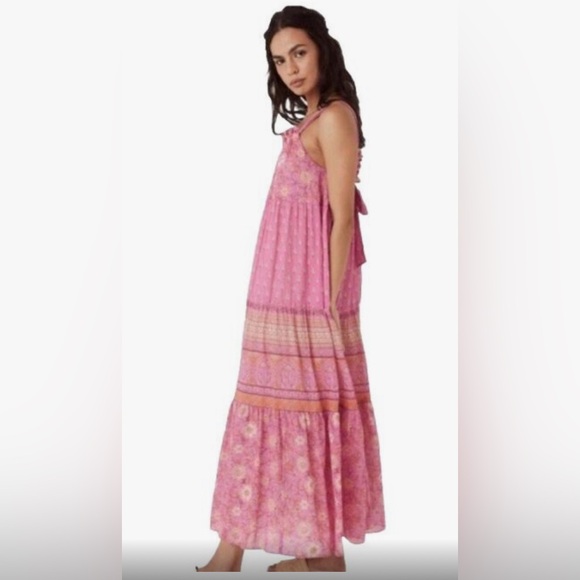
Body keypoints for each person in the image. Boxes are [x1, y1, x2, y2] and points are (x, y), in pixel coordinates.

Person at [196, 5, 385, 573]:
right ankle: (300, 554)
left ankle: (277, 556)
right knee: (270, 404)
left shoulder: (335, 117)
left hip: (309, 297)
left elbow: (342, 218)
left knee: (304, 408)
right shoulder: (312, 119)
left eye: (299, 53)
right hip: (278, 291)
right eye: (280, 61)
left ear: (323, 49)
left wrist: (327, 300)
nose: (291, 68)